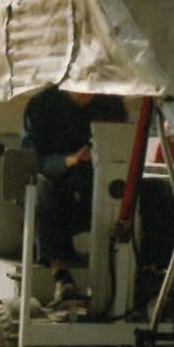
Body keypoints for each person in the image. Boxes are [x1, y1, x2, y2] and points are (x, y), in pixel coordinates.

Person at [21, 84, 128, 305]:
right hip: (60, 187)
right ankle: (61, 276)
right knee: (41, 189)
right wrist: (69, 160)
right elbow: (32, 159)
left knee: (157, 193)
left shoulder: (112, 105)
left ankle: (151, 273)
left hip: (103, 182)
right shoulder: (42, 105)